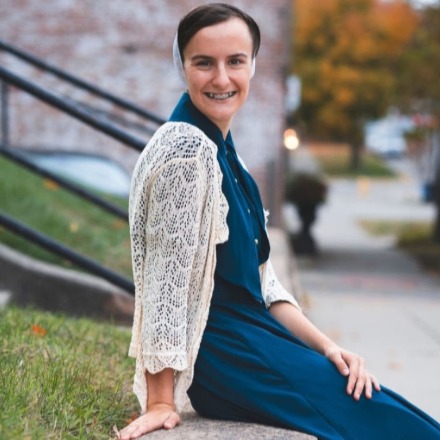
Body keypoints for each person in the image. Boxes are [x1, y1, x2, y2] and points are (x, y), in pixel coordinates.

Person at [118, 3, 440, 439]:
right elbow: (165, 283)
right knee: (382, 421)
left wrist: (328, 347)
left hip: (256, 338)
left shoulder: (222, 150)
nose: (221, 79)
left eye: (235, 61)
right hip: (229, 357)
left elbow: (265, 283)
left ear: (253, 65)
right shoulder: (186, 153)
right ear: (183, 67)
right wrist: (161, 401)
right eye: (204, 63)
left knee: (379, 404)